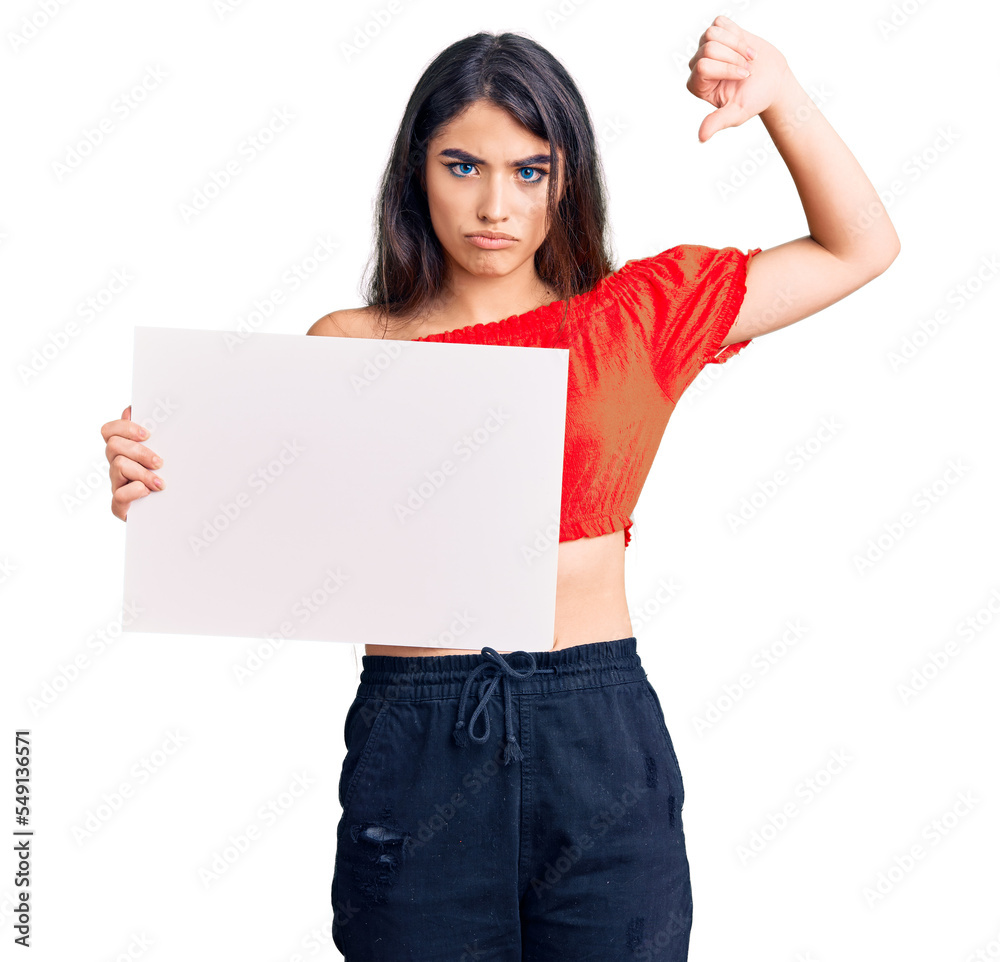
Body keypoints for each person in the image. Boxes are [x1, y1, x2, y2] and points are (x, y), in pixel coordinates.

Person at [100, 20, 899, 961]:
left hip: (595, 730)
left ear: (568, 180)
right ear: (417, 174)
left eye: (530, 170)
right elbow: (261, 539)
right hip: (417, 734)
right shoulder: (349, 348)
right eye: (462, 164)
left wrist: (782, 95)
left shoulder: (633, 316)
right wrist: (154, 486)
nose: (496, 204)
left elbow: (861, 247)